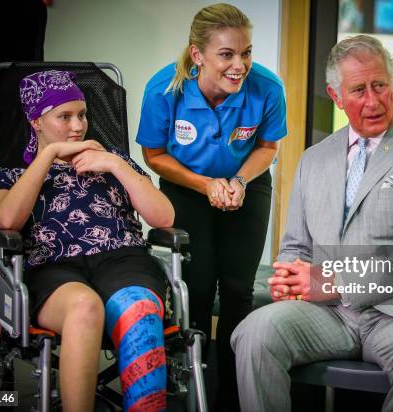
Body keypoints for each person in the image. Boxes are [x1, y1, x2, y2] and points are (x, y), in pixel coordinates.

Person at [231, 34, 393, 412]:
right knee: (253, 334)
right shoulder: (314, 159)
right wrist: (290, 278)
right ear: (336, 96)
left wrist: (333, 280)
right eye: (358, 90)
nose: (373, 101)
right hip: (328, 314)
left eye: (380, 86)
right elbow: (296, 246)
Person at [0, 70, 174, 412]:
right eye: (64, 117)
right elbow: (7, 219)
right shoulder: (10, 177)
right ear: (36, 121)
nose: (77, 126)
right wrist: (49, 155)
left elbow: (164, 218)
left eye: (82, 115)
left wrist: (115, 163)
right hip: (53, 267)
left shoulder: (113, 164)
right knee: (84, 308)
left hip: (123, 259)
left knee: (139, 309)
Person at [136, 3, 287, 409]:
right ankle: (196, 391)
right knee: (197, 289)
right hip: (187, 187)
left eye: (247, 52)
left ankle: (236, 395)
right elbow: (154, 155)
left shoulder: (268, 88)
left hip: (246, 185)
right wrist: (207, 185)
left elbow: (267, 147)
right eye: (227, 55)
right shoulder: (164, 89)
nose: (240, 65)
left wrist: (237, 181)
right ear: (198, 54)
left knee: (238, 290)